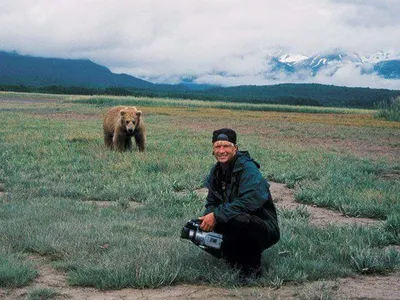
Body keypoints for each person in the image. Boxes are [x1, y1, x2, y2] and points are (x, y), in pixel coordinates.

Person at [199, 128, 280, 279]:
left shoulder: (248, 168)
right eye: (217, 146)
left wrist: (216, 216)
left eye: (226, 146)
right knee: (193, 229)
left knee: (239, 220)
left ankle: (252, 269)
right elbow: (211, 202)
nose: (221, 151)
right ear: (213, 149)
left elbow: (249, 201)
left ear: (235, 148)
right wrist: (209, 217)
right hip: (233, 221)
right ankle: (232, 258)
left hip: (262, 226)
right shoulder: (216, 171)